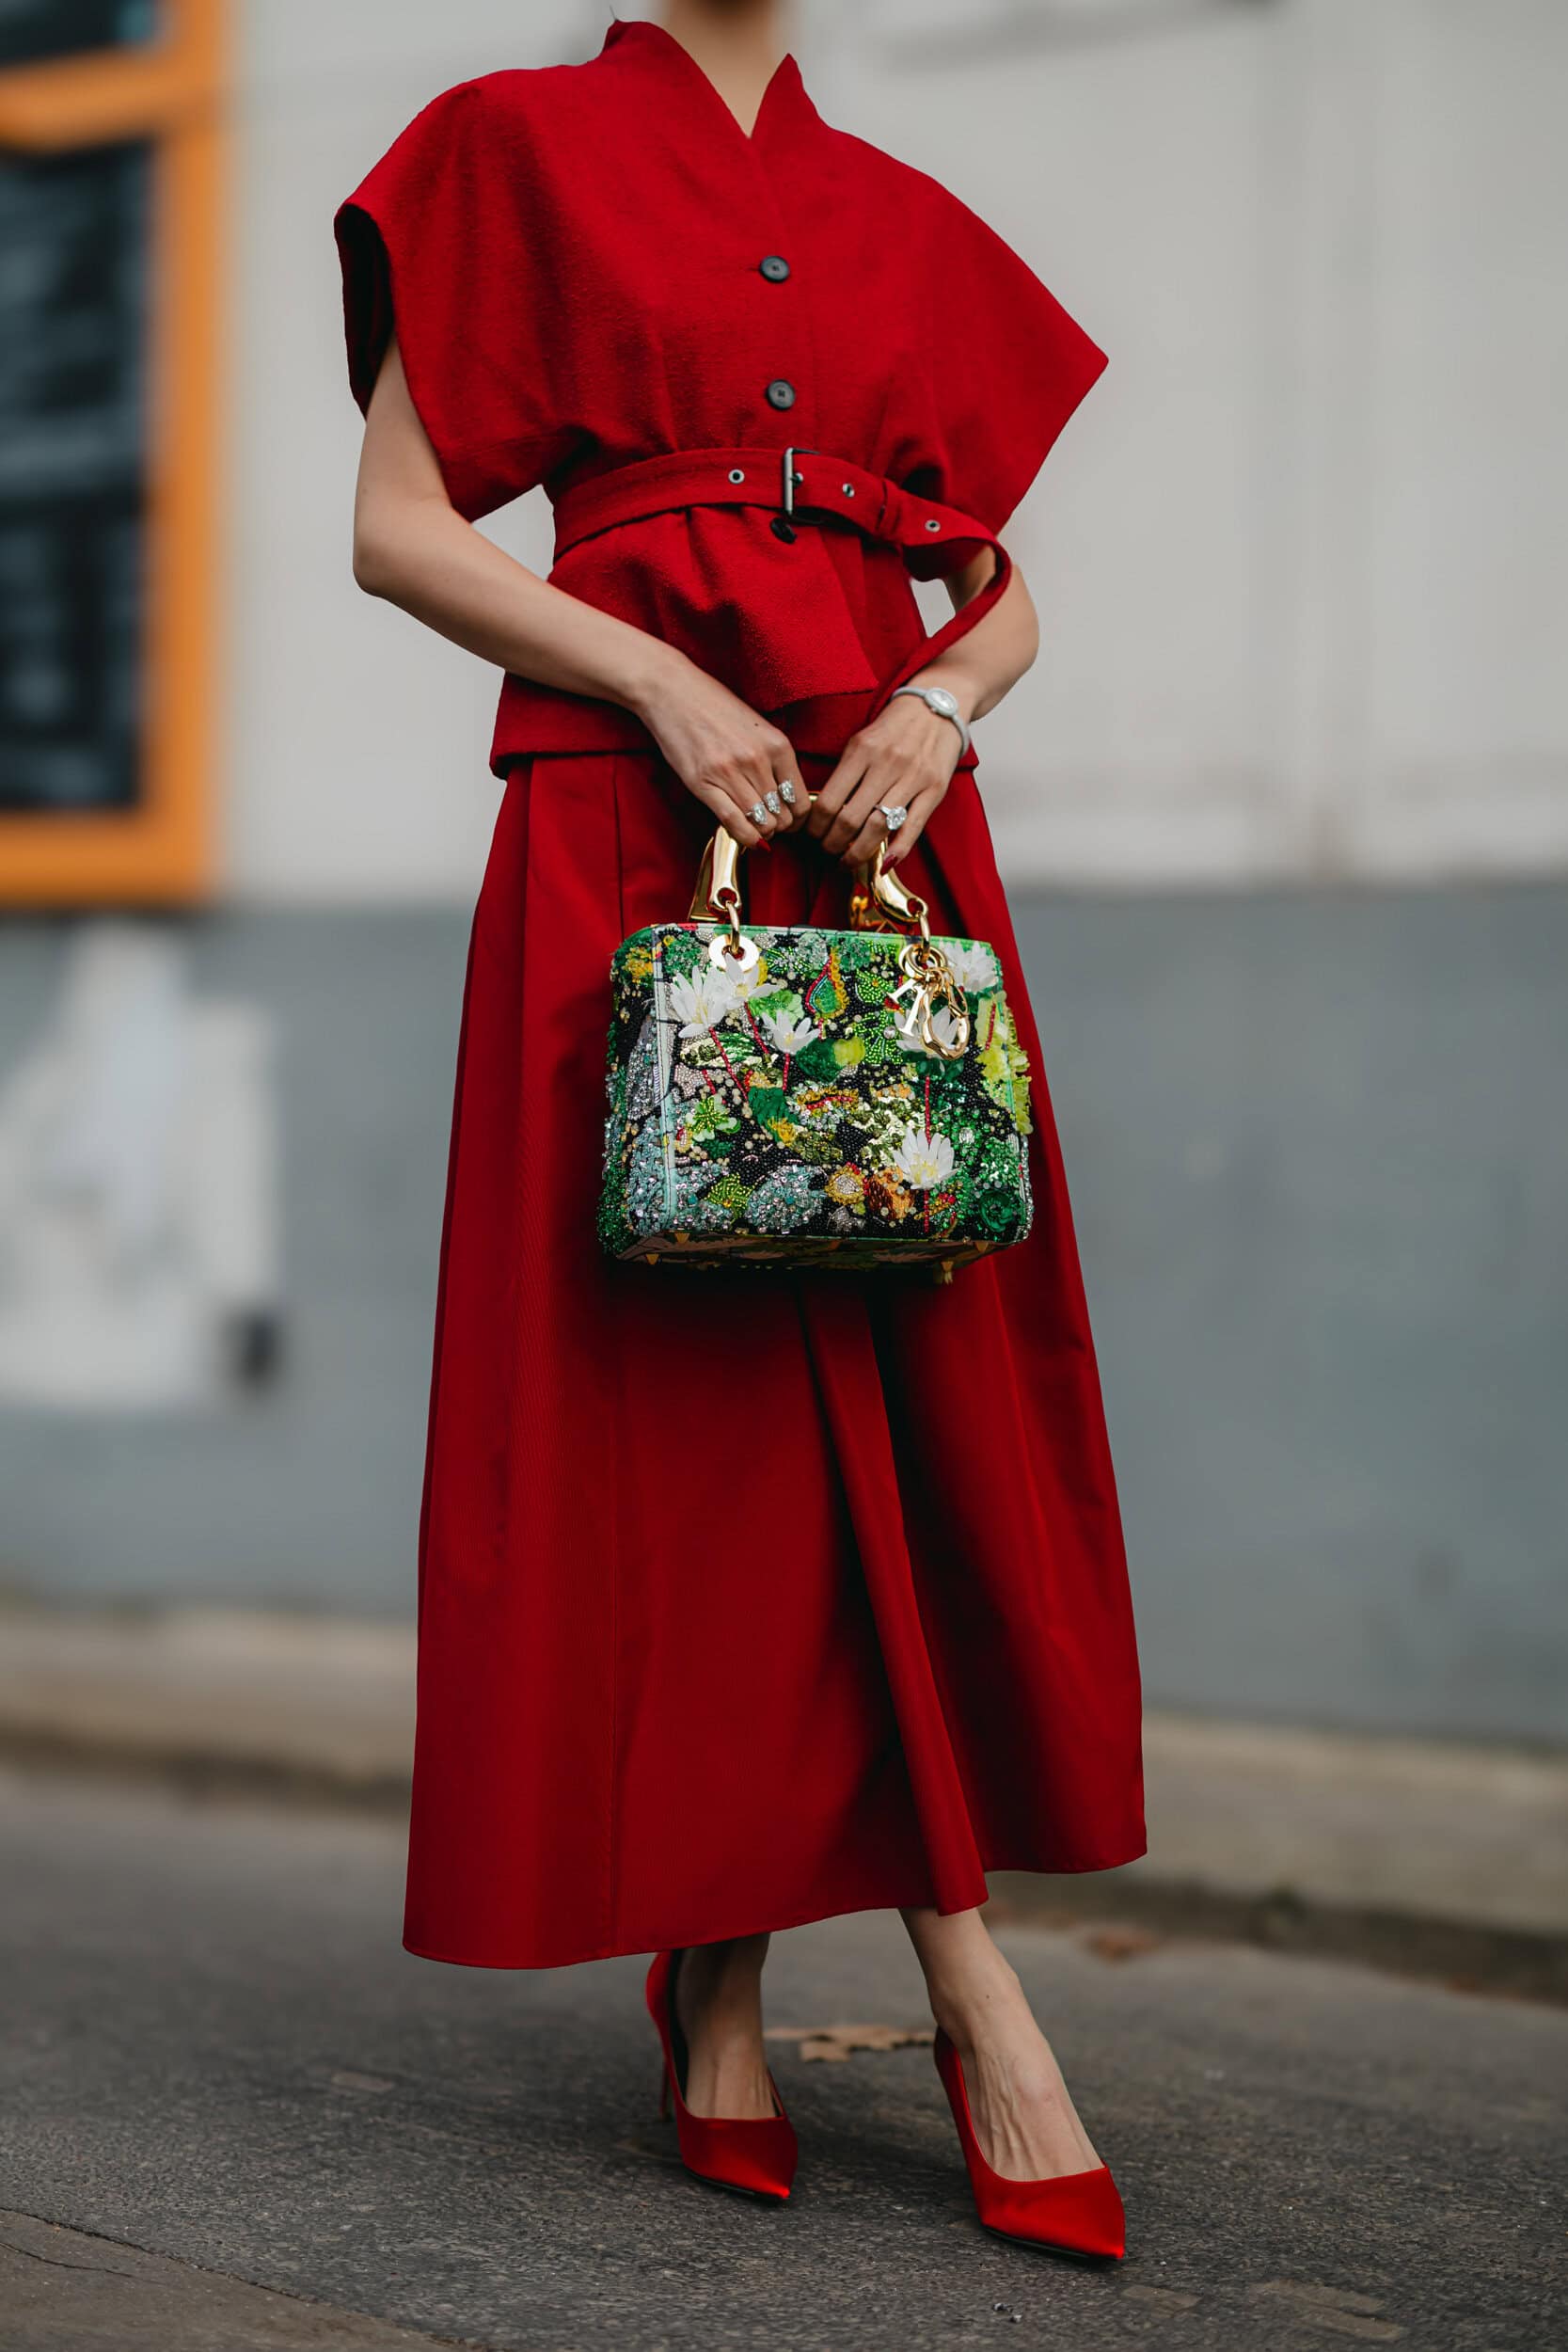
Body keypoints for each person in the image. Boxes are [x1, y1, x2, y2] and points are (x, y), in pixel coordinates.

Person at [336, 0, 1143, 2261]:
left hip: (874, 837)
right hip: (636, 819)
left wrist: (940, 700)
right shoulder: (510, 146)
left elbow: (998, 585)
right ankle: (911, 1984)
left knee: (916, 1392)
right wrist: (661, 677)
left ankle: (783, 1973)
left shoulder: (899, 216)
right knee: (686, 1420)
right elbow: (397, 530)